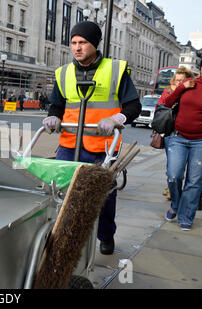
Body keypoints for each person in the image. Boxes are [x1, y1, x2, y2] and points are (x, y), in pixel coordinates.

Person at [42, 21, 141, 255]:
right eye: (74, 43)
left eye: (83, 43)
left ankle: (106, 235)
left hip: (103, 146)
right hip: (69, 143)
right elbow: (56, 104)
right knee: (62, 192)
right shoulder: (64, 72)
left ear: (94, 44)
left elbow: (133, 106)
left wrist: (117, 119)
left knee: (104, 197)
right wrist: (52, 118)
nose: (77, 48)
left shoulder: (115, 70)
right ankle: (63, 236)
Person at [162, 66, 202, 231]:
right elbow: (167, 102)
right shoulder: (189, 83)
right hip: (178, 137)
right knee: (173, 175)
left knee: (194, 181)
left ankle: (186, 216)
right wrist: (180, 88)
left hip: (200, 141)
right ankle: (176, 204)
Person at [157, 67, 194, 200]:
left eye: (181, 80)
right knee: (172, 165)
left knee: (187, 166)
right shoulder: (168, 91)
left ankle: (177, 190)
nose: (178, 83)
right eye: (176, 80)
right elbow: (160, 106)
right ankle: (171, 188)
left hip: (187, 132)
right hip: (170, 131)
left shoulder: (191, 91)